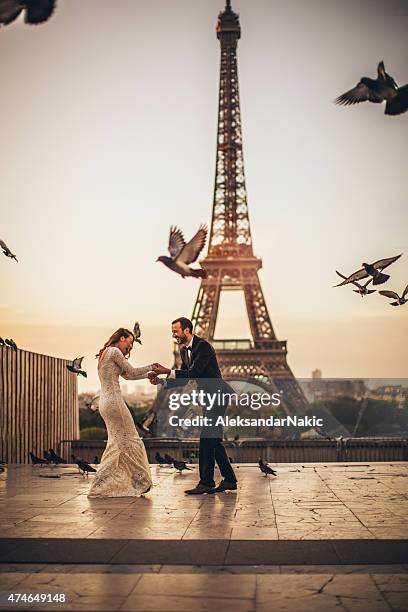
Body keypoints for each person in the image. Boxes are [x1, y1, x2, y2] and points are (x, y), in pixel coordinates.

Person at [150, 317, 237, 495]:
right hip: (209, 398)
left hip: (218, 395)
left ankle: (206, 482)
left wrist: (167, 371)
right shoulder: (184, 351)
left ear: (187, 330)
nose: (173, 335)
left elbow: (196, 372)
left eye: (176, 331)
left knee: (206, 438)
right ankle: (229, 480)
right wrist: (162, 382)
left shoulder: (202, 346)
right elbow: (186, 377)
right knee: (214, 440)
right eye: (172, 331)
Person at [88, 328, 155, 498]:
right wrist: (154, 367)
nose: (131, 346)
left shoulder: (106, 353)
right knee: (131, 439)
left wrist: (150, 374)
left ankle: (105, 483)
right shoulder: (114, 351)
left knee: (117, 443)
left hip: (105, 402)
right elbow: (132, 372)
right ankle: (139, 481)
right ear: (122, 338)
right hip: (114, 402)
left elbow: (128, 377)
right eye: (130, 341)